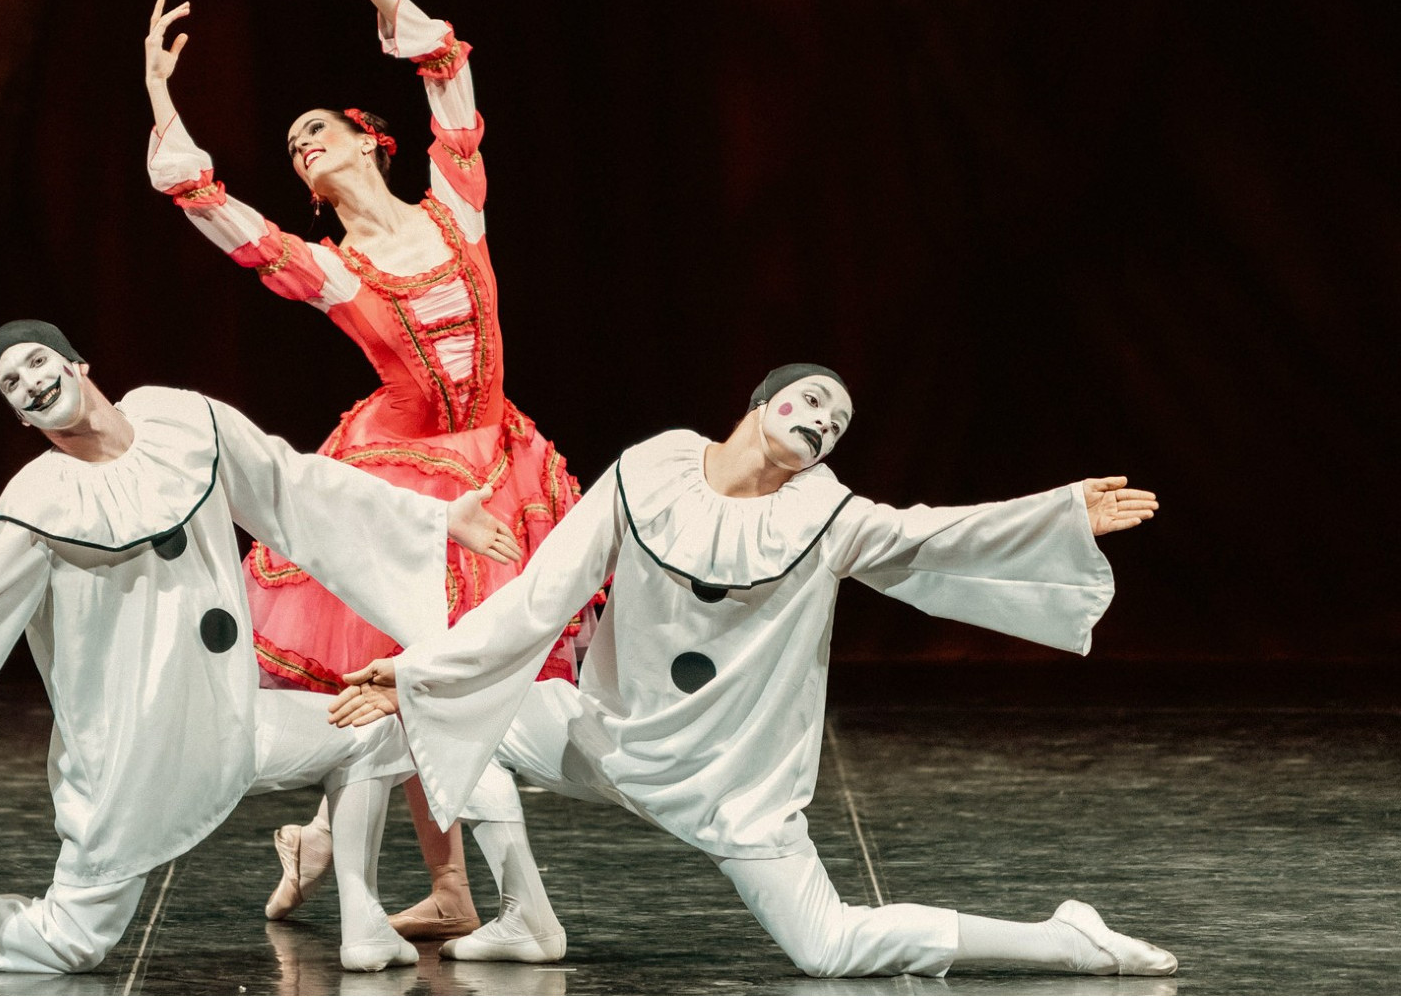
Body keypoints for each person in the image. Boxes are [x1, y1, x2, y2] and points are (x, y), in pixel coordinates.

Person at [332, 364, 1179, 977]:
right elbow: (539, 600)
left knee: (830, 951)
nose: (823, 422)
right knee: (442, 717)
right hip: (606, 737)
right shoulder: (650, 471)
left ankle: (1071, 939)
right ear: (761, 401)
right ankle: (525, 916)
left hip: (731, 786)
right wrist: (417, 674)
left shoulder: (828, 516)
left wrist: (1058, 515)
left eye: (838, 423)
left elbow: (935, 534)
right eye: (813, 400)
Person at [0, 319, 523, 974]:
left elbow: (294, 486)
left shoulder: (181, 422)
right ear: (17, 416)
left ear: (78, 364)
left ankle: (363, 924)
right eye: (11, 384)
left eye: (36, 362)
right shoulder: (40, 502)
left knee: (373, 734)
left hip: (228, 720)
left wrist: (432, 519)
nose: (30, 383)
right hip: (131, 760)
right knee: (64, 948)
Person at [143, 0, 590, 940]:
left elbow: (445, 71)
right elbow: (211, 207)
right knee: (421, 672)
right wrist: (162, 100)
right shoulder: (335, 271)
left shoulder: (457, 209)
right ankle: (462, 891)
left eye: (317, 132)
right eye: (293, 148)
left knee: (448, 678)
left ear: (365, 140)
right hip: (401, 479)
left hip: (496, 458)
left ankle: (351, 850)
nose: (302, 148)